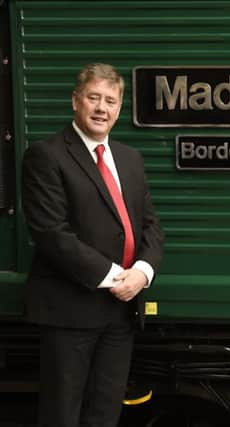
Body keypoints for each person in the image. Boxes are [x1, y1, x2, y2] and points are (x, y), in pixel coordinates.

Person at [21, 63, 164, 427]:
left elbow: (150, 226)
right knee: (62, 415)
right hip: (70, 311)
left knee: (105, 413)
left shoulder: (130, 159)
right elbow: (51, 232)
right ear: (75, 101)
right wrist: (117, 277)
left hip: (121, 313)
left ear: (119, 109)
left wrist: (143, 274)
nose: (102, 108)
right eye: (94, 97)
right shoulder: (46, 155)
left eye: (111, 101)